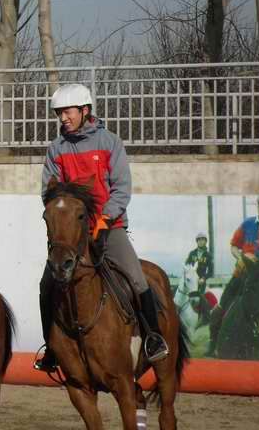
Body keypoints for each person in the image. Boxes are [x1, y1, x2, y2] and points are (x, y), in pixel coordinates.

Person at [34, 84, 170, 373]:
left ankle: (154, 339)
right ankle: (52, 349)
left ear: (85, 111)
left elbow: (122, 189)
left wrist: (105, 219)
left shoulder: (110, 142)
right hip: (73, 235)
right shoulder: (56, 149)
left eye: (67, 112)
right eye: (59, 113)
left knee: (137, 279)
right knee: (46, 285)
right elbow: (50, 192)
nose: (62, 118)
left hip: (110, 228)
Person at [209, 195, 259, 350]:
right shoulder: (247, 224)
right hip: (241, 274)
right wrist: (242, 256)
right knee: (221, 306)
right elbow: (234, 246)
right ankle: (213, 342)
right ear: (258, 206)